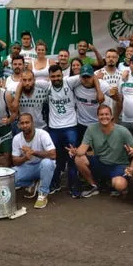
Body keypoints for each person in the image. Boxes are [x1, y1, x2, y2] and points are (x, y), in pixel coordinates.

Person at [69, 104, 133, 198]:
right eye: (101, 114)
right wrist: (75, 151)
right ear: (97, 117)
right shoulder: (91, 129)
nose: (104, 117)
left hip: (118, 164)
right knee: (78, 158)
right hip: (100, 162)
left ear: (111, 116)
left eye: (107, 114)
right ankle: (94, 185)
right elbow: (82, 150)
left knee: (120, 185)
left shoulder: (122, 131)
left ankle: (116, 183)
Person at [45, 64, 80, 197]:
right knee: (56, 159)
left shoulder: (70, 82)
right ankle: (55, 183)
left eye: (58, 75)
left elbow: (88, 76)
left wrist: (98, 78)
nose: (56, 78)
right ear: (49, 77)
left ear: (63, 75)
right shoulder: (46, 85)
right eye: (53, 76)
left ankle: (73, 186)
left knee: (72, 157)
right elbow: (27, 81)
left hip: (70, 126)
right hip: (54, 129)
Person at [12, 113, 57, 209]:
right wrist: (25, 157)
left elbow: (53, 155)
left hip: (42, 166)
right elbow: (15, 161)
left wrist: (33, 152)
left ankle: (42, 194)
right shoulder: (17, 138)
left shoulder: (43, 134)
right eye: (22, 123)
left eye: (27, 122)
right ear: (19, 125)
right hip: (28, 167)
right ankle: (32, 184)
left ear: (33, 123)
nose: (24, 125)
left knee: (47, 163)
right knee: (10, 178)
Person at [69, 64, 109, 141]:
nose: (86, 79)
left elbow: (118, 98)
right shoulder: (75, 84)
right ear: (79, 77)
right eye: (84, 77)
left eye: (88, 76)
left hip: (98, 124)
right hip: (81, 124)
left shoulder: (103, 85)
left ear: (93, 76)